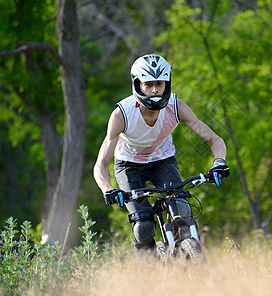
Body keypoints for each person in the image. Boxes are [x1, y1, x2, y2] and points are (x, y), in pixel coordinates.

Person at [93, 54, 230, 255]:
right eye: (148, 84)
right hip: (129, 166)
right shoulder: (122, 114)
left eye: (160, 83)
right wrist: (108, 190)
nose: (155, 89)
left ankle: (188, 257)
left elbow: (215, 140)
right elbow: (101, 164)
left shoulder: (176, 107)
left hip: (162, 161)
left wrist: (219, 162)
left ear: (168, 83)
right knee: (144, 226)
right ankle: (147, 273)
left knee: (182, 210)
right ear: (138, 85)